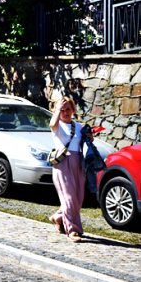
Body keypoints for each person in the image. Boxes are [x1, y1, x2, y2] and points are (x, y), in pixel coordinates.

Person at [49, 97, 91, 242]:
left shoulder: (79, 126)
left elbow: (84, 143)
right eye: (62, 109)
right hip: (63, 163)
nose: (65, 112)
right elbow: (52, 123)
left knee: (78, 199)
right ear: (57, 111)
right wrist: (57, 109)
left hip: (78, 162)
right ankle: (73, 230)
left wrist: (89, 137)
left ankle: (57, 217)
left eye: (68, 109)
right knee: (69, 198)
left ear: (73, 110)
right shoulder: (57, 125)